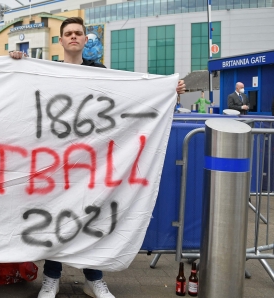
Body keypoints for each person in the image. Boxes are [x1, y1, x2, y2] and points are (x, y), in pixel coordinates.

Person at [10, 17, 185, 298]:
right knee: (58, 215)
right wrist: (15, 59)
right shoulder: (46, 70)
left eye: (79, 33)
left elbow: (130, 94)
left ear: (84, 39)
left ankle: (95, 279)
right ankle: (51, 278)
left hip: (92, 159)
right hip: (57, 160)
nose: (74, 37)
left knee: (91, 216)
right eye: (68, 33)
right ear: (61, 39)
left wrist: (166, 89)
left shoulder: (101, 72)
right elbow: (18, 89)